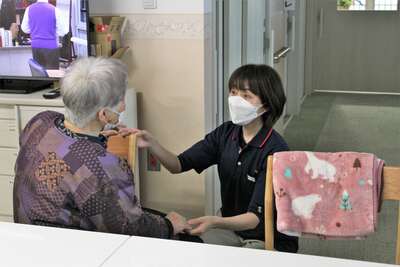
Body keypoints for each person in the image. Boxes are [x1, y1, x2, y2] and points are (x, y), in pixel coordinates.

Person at [115, 64, 299, 251]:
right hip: (229, 229)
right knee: (185, 247)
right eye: (233, 93)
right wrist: (151, 144)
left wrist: (215, 221)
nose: (236, 100)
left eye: (246, 96)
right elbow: (178, 164)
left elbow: (254, 219)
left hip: (265, 238)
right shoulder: (225, 133)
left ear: (266, 104)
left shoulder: (276, 151)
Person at [13, 57, 190, 239]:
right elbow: (127, 226)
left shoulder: (40, 121)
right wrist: (169, 225)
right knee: (188, 238)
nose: (123, 106)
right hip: (65, 250)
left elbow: (61, 166)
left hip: (29, 237)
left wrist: (94, 140)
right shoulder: (105, 166)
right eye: (121, 100)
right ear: (103, 114)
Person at [21, 0, 69, 69]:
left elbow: (24, 29)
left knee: (38, 73)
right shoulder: (55, 10)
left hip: (36, 46)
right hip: (51, 46)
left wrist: (35, 30)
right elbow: (64, 31)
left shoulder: (29, 9)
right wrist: (52, 31)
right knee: (52, 74)